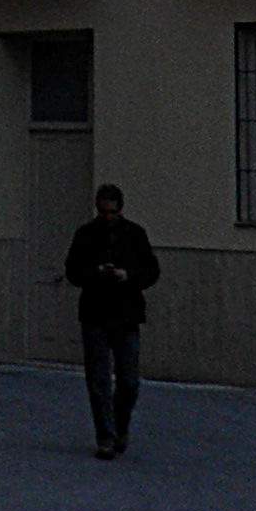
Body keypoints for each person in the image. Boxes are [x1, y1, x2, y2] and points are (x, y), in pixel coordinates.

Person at [64, 182, 161, 457]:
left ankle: (119, 426)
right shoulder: (85, 235)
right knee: (99, 381)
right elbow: (72, 271)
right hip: (96, 313)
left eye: (112, 213)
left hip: (126, 314)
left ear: (120, 210)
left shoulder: (135, 235)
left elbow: (152, 271)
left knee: (129, 381)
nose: (108, 218)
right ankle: (106, 437)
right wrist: (96, 273)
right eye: (104, 212)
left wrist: (127, 276)